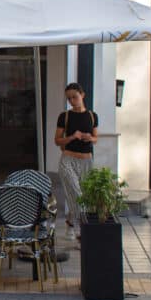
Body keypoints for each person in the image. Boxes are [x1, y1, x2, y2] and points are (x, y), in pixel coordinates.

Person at [55, 82, 98, 239]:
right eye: (69, 99)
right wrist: (73, 136)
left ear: (82, 95)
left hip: (87, 161)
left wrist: (89, 138)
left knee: (81, 195)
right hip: (68, 159)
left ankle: (70, 224)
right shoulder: (64, 116)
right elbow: (57, 141)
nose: (72, 101)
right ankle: (83, 229)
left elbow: (96, 138)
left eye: (75, 97)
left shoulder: (92, 116)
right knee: (76, 192)